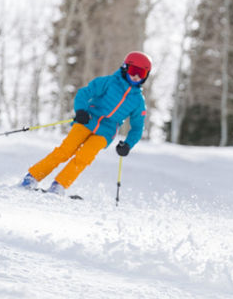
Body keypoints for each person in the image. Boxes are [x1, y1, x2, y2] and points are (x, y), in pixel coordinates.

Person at [20, 51, 151, 197]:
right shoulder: (108, 82)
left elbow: (138, 127)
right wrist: (81, 110)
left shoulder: (138, 102)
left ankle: (59, 186)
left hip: (106, 132)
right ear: (125, 68)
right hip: (87, 120)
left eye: (142, 73)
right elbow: (84, 93)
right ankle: (32, 178)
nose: (136, 76)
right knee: (65, 151)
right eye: (134, 71)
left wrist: (128, 144)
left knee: (84, 158)